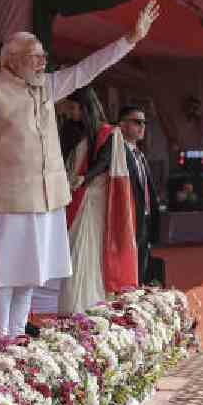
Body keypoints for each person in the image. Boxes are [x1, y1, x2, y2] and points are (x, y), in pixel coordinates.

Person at [0, 0, 159, 350]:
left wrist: (130, 39)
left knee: (29, 277)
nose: (43, 61)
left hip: (46, 199)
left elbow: (87, 70)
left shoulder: (46, 87)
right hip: (5, 201)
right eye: (35, 55)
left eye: (42, 55)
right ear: (12, 60)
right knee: (2, 278)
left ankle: (16, 340)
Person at [57, 88, 136, 314]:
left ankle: (88, 304)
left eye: (74, 108)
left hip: (93, 199)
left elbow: (104, 161)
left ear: (85, 108)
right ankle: (73, 303)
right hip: (73, 196)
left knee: (88, 250)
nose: (71, 113)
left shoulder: (109, 133)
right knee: (75, 250)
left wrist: (85, 177)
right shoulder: (71, 130)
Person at [83, 104, 161, 286]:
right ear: (122, 125)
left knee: (141, 262)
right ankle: (125, 299)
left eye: (144, 122)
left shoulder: (139, 153)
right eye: (137, 122)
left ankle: (136, 299)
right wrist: (83, 178)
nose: (142, 126)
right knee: (127, 263)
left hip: (145, 217)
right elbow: (102, 162)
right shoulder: (117, 146)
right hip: (127, 216)